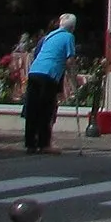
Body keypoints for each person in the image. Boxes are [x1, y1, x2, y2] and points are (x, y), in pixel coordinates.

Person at [22, 14, 76, 154]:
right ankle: (44, 143)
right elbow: (70, 60)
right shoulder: (68, 37)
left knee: (33, 109)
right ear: (72, 27)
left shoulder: (50, 35)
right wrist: (73, 77)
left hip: (34, 71)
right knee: (45, 110)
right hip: (49, 74)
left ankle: (30, 144)